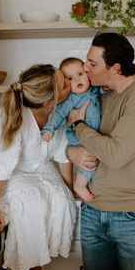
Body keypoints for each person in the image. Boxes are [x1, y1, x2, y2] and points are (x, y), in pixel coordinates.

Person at [67, 32, 135, 270]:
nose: (85, 68)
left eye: (93, 63)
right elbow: (65, 139)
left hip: (133, 218)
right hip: (92, 212)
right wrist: (72, 152)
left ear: (116, 68)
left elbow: (116, 154)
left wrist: (78, 125)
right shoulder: (99, 95)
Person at [0, 64, 77, 270]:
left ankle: (39, 266)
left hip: (41, 168)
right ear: (49, 101)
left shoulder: (57, 115)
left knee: (61, 197)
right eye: (64, 84)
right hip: (10, 173)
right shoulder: (12, 117)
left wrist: (70, 190)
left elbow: (62, 155)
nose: (70, 84)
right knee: (31, 202)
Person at [42, 57, 101, 202]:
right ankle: (80, 185)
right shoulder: (71, 99)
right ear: (66, 84)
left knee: (96, 154)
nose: (77, 80)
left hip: (91, 135)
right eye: (70, 78)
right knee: (90, 158)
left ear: (87, 74)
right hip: (78, 138)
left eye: (80, 74)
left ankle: (82, 183)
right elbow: (59, 114)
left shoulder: (94, 91)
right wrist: (49, 128)